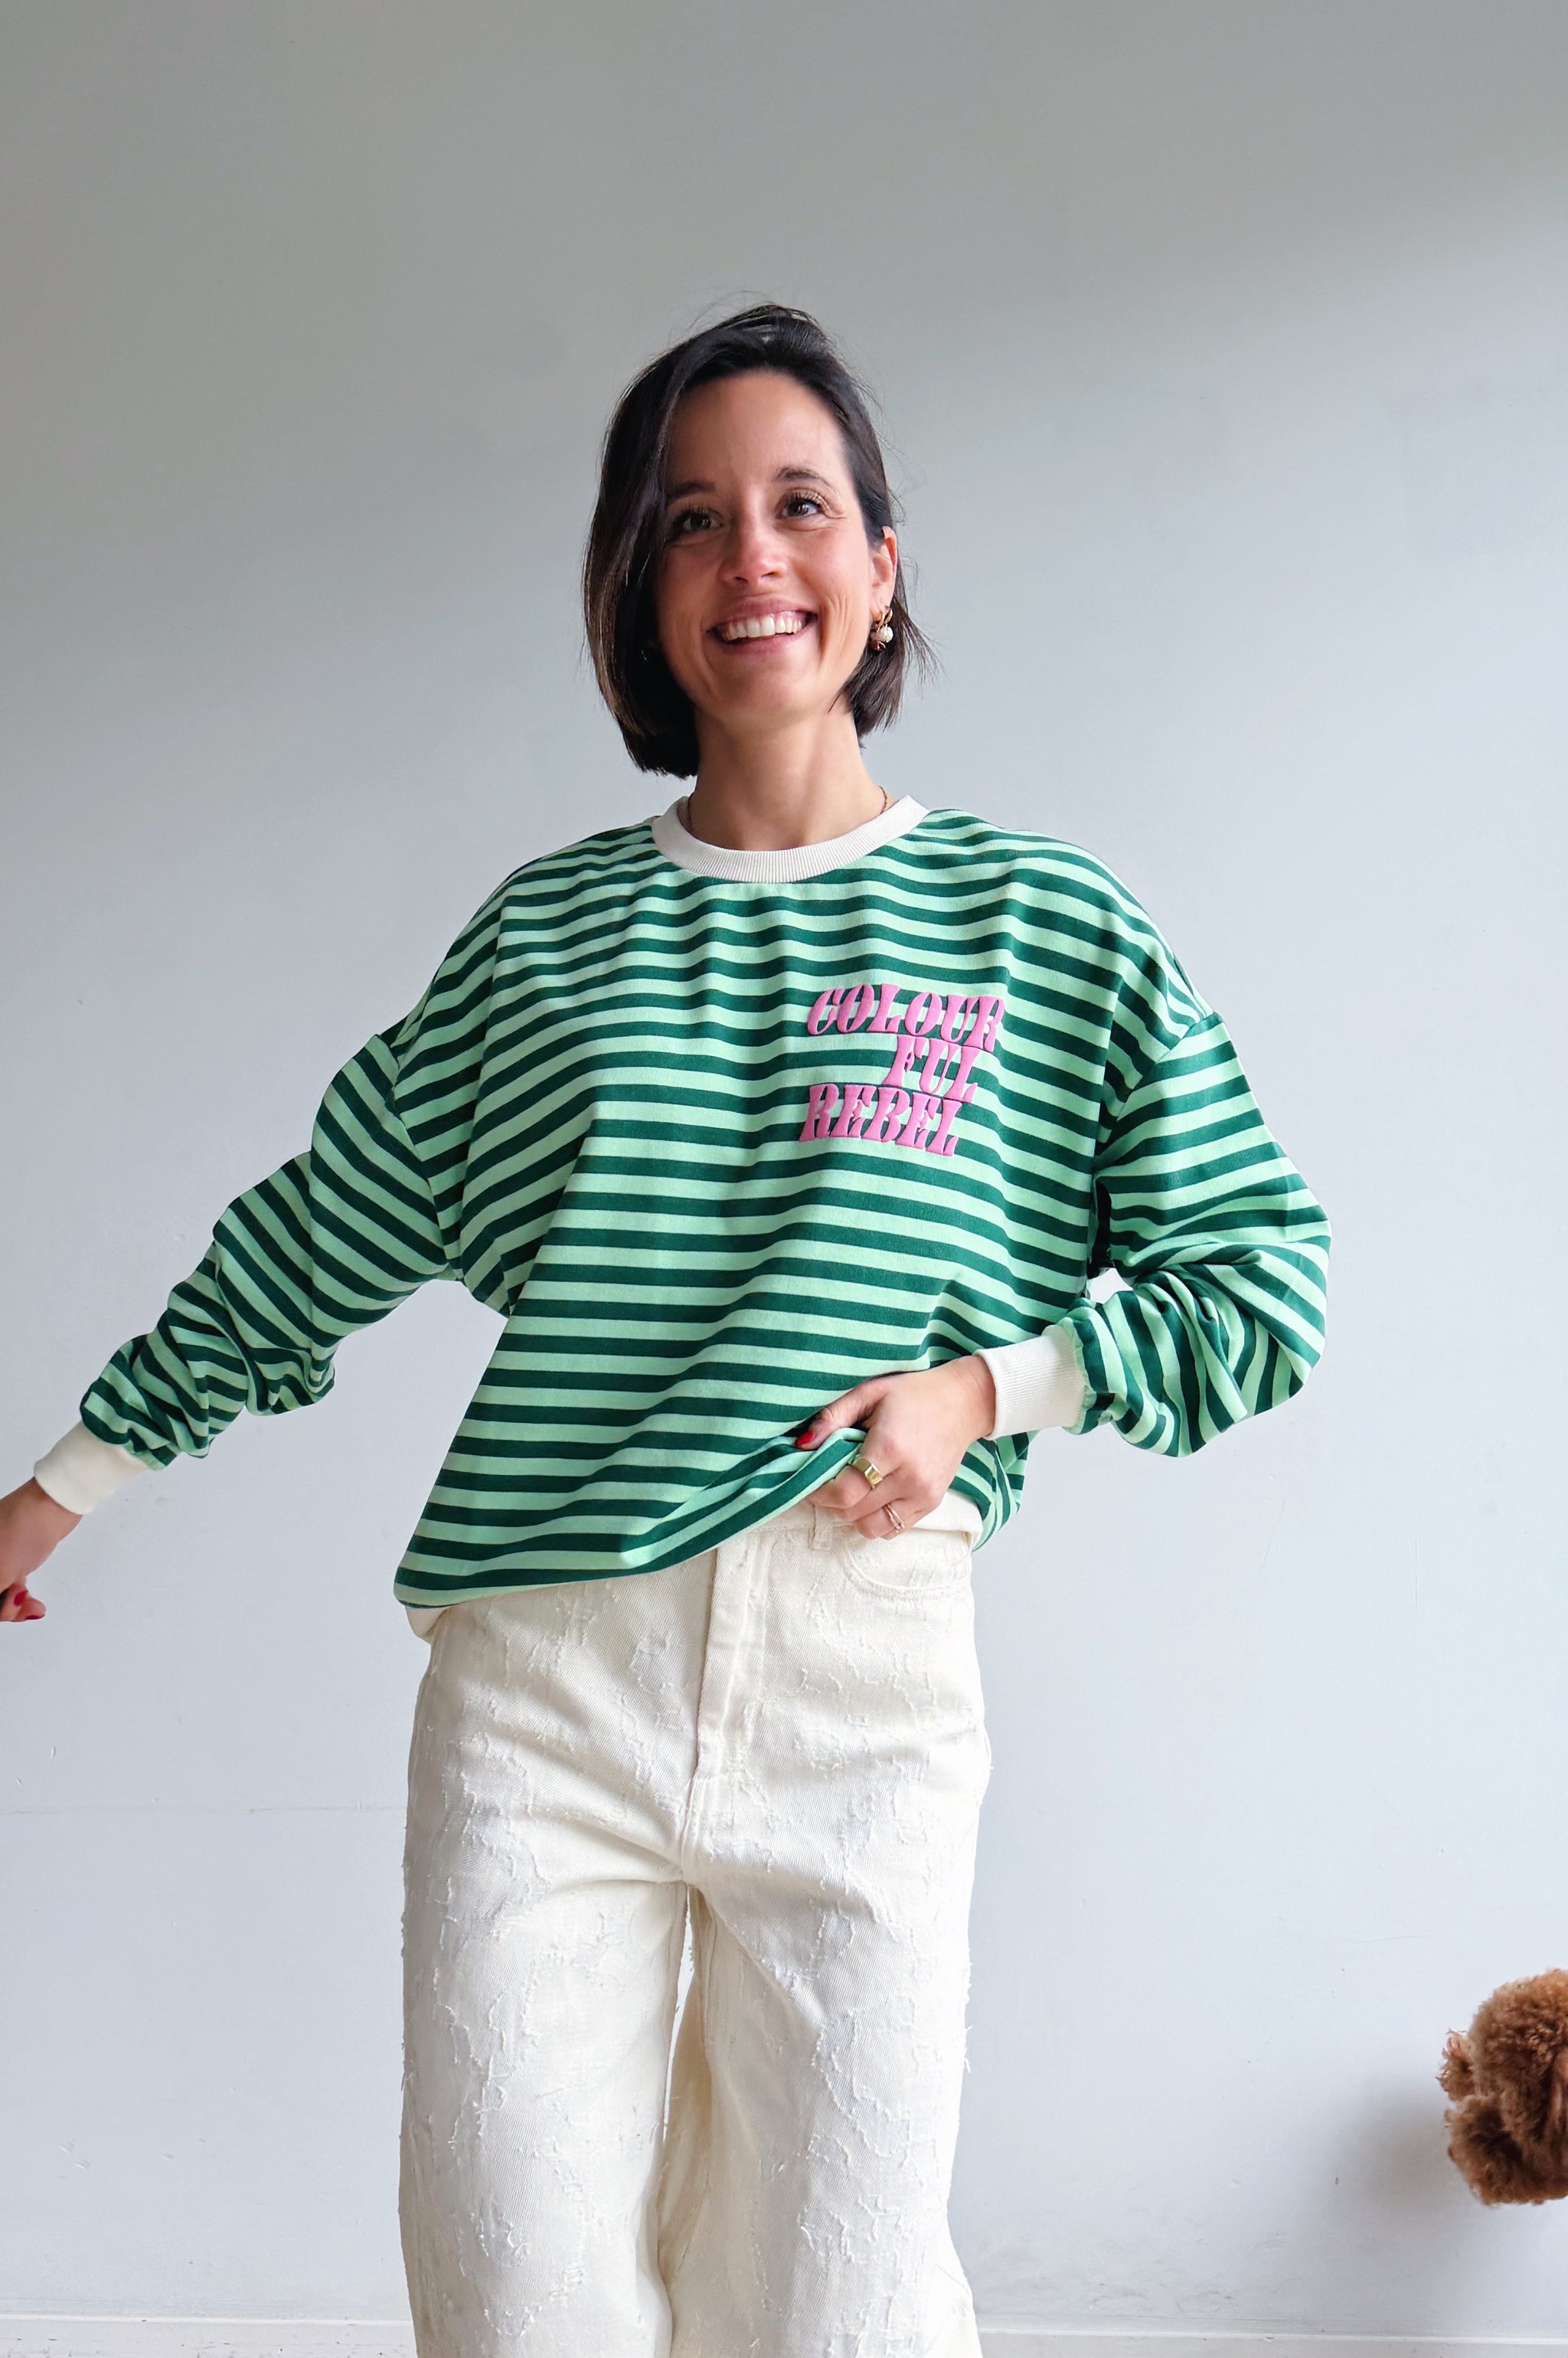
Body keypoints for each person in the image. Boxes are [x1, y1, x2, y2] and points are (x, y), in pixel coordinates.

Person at [0, 304, 1331, 2357]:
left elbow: (1258, 1285)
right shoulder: (547, 936)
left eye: (801, 506)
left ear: (882, 566)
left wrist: (991, 1387)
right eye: (690, 519)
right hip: (550, 1684)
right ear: (639, 586)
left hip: (862, 1683)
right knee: (518, 2301)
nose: (750, 558)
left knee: (838, 2313)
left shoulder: (1042, 925)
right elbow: (319, 1232)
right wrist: (60, 1491)